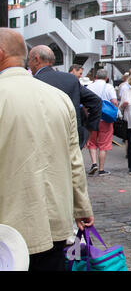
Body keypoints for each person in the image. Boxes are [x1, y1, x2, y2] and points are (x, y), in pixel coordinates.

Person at [0, 28, 94, 271]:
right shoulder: (59, 98)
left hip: (9, 231)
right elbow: (75, 160)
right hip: (55, 222)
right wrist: (81, 207)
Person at [28, 45, 102, 149]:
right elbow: (96, 102)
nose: (28, 64)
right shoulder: (70, 79)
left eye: (29, 60)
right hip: (71, 138)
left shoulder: (32, 82)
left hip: (43, 140)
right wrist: (88, 131)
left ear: (36, 59)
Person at [86, 69, 118, 176]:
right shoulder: (109, 87)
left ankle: (94, 163)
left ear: (95, 77)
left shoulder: (90, 86)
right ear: (106, 78)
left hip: (92, 118)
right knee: (104, 144)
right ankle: (101, 169)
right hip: (105, 119)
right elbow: (114, 101)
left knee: (92, 142)